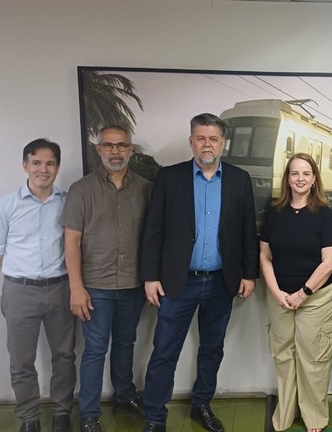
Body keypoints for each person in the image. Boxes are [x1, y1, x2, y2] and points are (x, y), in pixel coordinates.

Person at [141, 113, 259, 432]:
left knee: (212, 348)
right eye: (201, 138)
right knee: (165, 350)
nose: (208, 144)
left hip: (221, 281)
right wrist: (150, 277)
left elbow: (248, 231)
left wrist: (249, 274)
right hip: (177, 283)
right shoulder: (169, 177)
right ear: (191, 141)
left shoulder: (239, 179)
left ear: (223, 143)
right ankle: (155, 417)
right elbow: (153, 230)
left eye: (214, 139)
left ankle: (201, 404)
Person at [59, 126, 152, 432]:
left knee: (126, 343)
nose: (115, 151)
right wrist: (76, 288)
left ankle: (125, 396)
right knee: (95, 349)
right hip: (95, 287)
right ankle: (89, 414)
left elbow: (155, 237)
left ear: (130, 150)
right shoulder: (81, 189)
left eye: (121, 145)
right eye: (108, 146)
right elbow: (71, 242)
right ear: (98, 150)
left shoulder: (146, 189)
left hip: (133, 285)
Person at [0, 139, 75, 432]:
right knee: (21, 360)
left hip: (61, 288)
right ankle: (29, 418)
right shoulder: (5, 206)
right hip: (19, 291)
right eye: (36, 163)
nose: (43, 169)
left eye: (50, 163)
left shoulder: (69, 202)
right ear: (25, 165)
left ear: (57, 167)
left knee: (64, 356)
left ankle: (62, 413)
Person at [260, 153, 332, 432]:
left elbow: (330, 261)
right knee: (283, 356)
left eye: (306, 173)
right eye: (294, 173)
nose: (300, 178)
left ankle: (314, 417)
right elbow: (265, 256)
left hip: (318, 297)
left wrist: (303, 293)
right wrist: (276, 292)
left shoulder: (324, 214)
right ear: (287, 178)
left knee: (313, 358)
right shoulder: (275, 213)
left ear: (314, 179)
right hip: (281, 297)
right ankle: (285, 413)